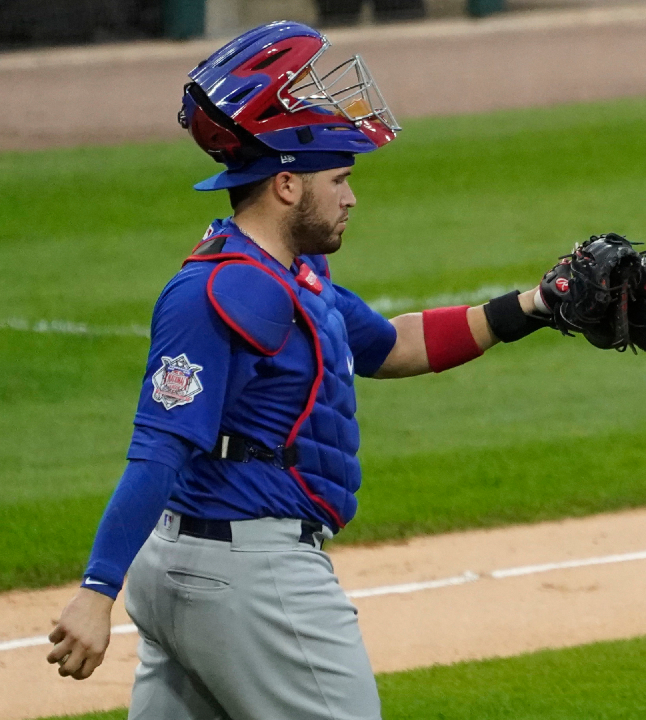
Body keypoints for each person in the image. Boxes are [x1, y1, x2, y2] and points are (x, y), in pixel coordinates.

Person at [45, 21, 551, 718]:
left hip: (195, 570)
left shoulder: (290, 277)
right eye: (338, 179)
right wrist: (97, 591)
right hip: (250, 577)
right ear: (286, 185)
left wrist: (536, 305)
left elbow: (390, 346)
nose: (350, 197)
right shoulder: (223, 290)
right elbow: (159, 444)